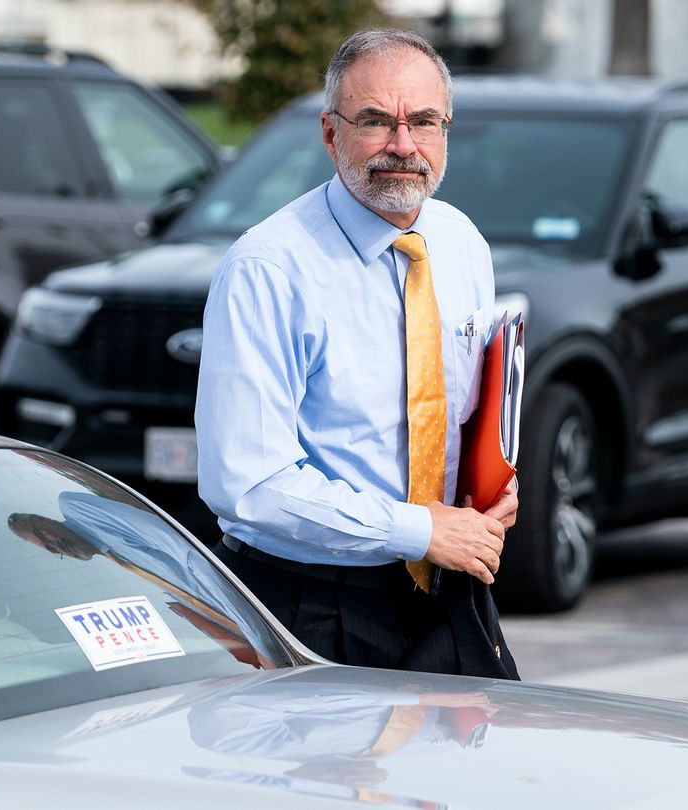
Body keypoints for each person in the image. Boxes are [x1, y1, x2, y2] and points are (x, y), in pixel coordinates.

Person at [195, 28, 519, 679]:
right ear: (329, 133)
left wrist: (488, 492)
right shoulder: (268, 269)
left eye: (424, 121)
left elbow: (465, 416)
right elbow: (247, 485)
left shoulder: (461, 244)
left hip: (445, 591)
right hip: (311, 605)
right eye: (375, 120)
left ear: (447, 129)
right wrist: (420, 531)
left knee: (473, 776)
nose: (403, 145)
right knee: (340, 786)